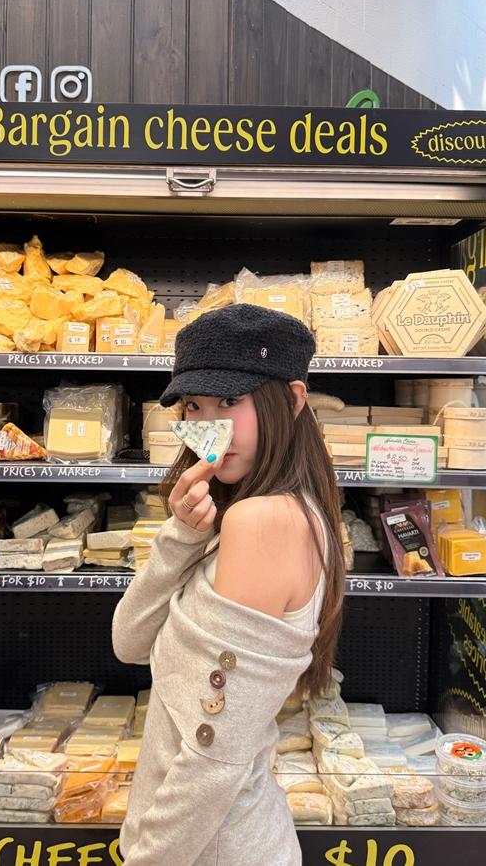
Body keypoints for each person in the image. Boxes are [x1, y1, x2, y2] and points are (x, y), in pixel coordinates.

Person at [112, 303, 345, 866]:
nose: (210, 426)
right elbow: (129, 642)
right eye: (195, 406)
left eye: (230, 402)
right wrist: (181, 536)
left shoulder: (262, 521)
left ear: (292, 400)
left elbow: (212, 760)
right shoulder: (259, 512)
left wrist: (143, 859)